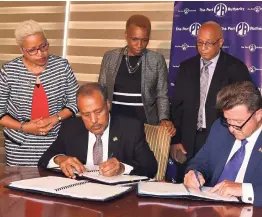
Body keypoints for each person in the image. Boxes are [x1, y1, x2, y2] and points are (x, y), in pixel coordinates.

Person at [170, 21, 252, 182]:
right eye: (199, 42)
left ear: (220, 42)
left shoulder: (235, 68)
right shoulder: (186, 67)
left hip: (221, 139)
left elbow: (246, 108)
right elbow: (177, 106)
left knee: (215, 188)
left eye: (208, 43)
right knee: (187, 185)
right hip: (187, 141)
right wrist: (176, 140)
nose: (203, 48)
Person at [0, 20, 79, 166]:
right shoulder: (9, 71)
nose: (41, 53)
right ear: (22, 50)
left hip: (57, 144)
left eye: (44, 46)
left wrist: (56, 118)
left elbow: (75, 102)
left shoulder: (61, 66)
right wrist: (24, 127)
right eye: (32, 50)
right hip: (20, 146)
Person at [38, 83, 158, 178]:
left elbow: (150, 167)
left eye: (98, 112)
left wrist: (122, 168)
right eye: (86, 115)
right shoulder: (70, 127)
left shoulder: (130, 128)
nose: (94, 120)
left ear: (108, 105)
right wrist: (60, 159)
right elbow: (44, 159)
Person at [184, 81, 262, 206]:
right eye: (228, 120)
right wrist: (195, 173)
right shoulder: (220, 128)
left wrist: (243, 189)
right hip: (212, 208)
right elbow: (201, 162)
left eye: (238, 122)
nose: (231, 129)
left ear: (258, 115)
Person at [98, 14, 175, 137]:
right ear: (126, 35)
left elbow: (162, 95)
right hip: (114, 122)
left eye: (144, 40)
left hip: (144, 125)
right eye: (134, 39)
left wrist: (164, 118)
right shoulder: (110, 57)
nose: (139, 45)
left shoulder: (156, 60)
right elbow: (101, 90)